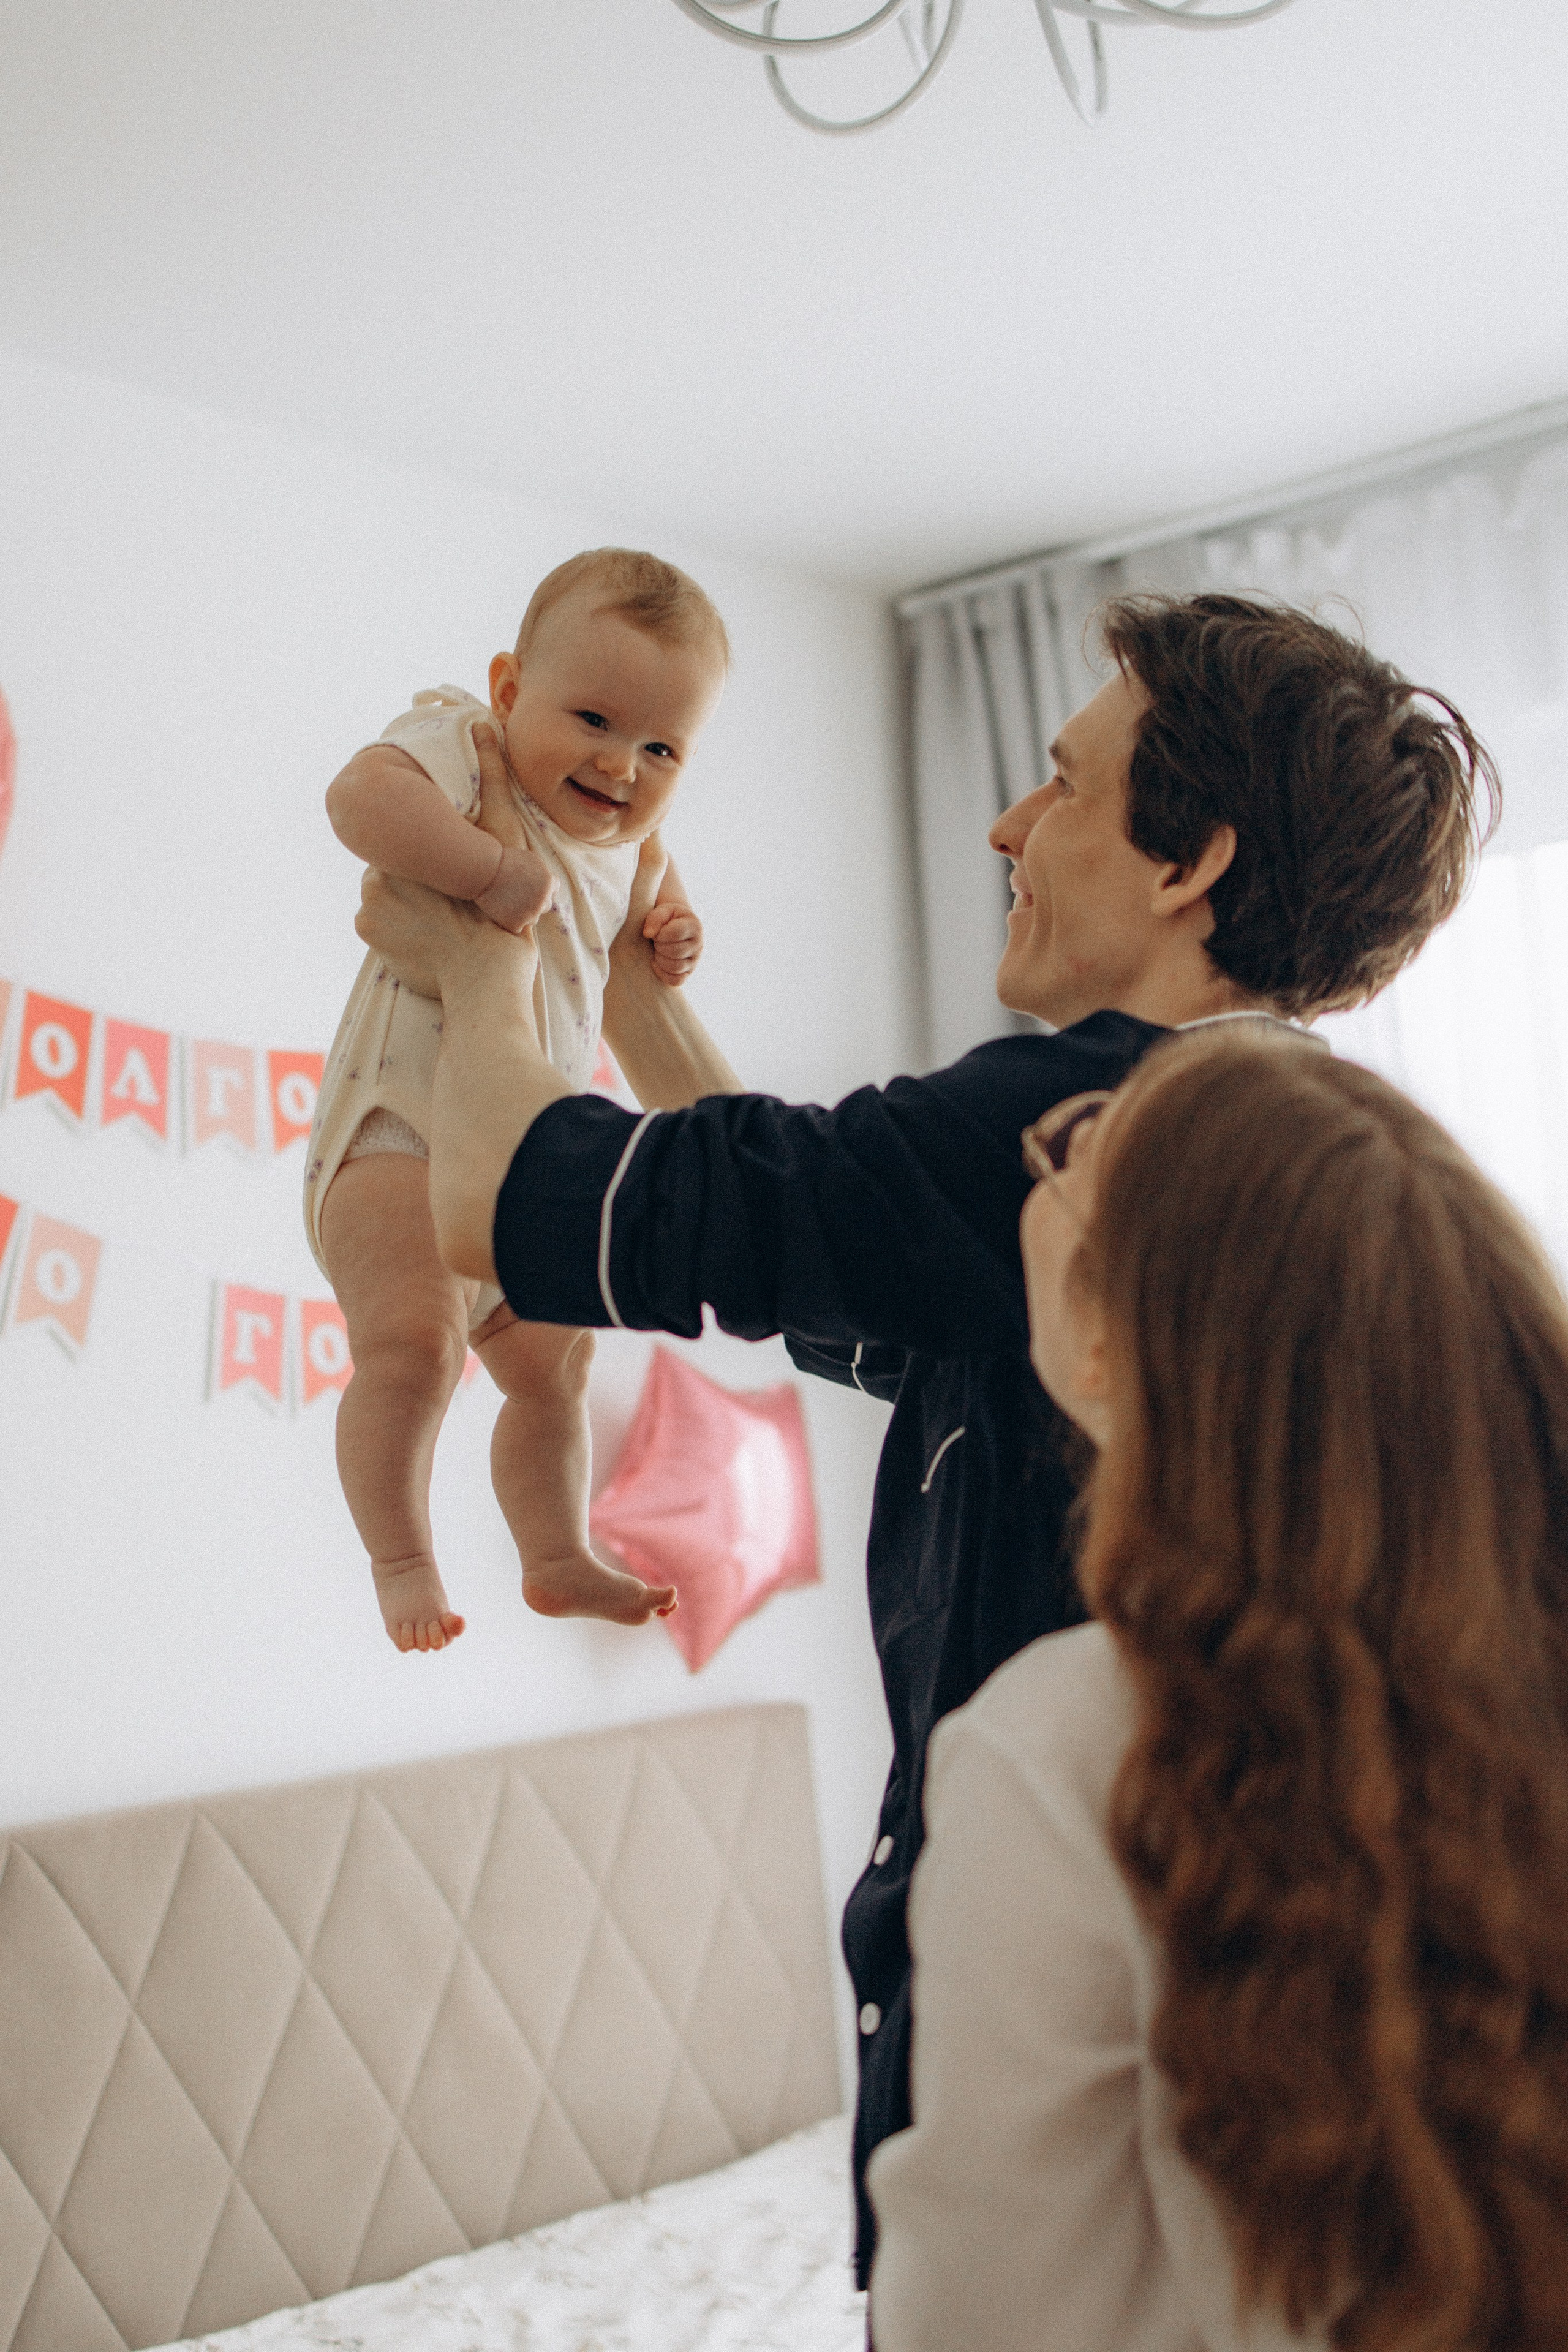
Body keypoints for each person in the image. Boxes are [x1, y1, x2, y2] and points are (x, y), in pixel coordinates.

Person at [352, 592, 1496, 2285]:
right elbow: (807, 1224)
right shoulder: (1255, 1149)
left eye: (1062, 785)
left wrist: (476, 957)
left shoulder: (1086, 1129)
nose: (1006, 823)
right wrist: (629, 997)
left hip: (1066, 2077)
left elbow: (504, 1203)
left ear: (1190, 866)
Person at [867, 1028, 1568, 2352]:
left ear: (1097, 1336)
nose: (1048, 1160)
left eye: (1073, 1153)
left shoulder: (1064, 1749)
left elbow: (988, 2316)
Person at [304, 548, 728, 1652]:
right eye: (591, 717)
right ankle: (402, 1558)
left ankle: (554, 1556)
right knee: (416, 1348)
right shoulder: (464, 744)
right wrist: (483, 872)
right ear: (507, 690)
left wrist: (675, 932)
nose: (620, 764)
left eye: (661, 747)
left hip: (516, 1153)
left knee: (556, 1362)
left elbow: (652, 915)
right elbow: (359, 799)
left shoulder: (633, 844)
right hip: (398, 1127)